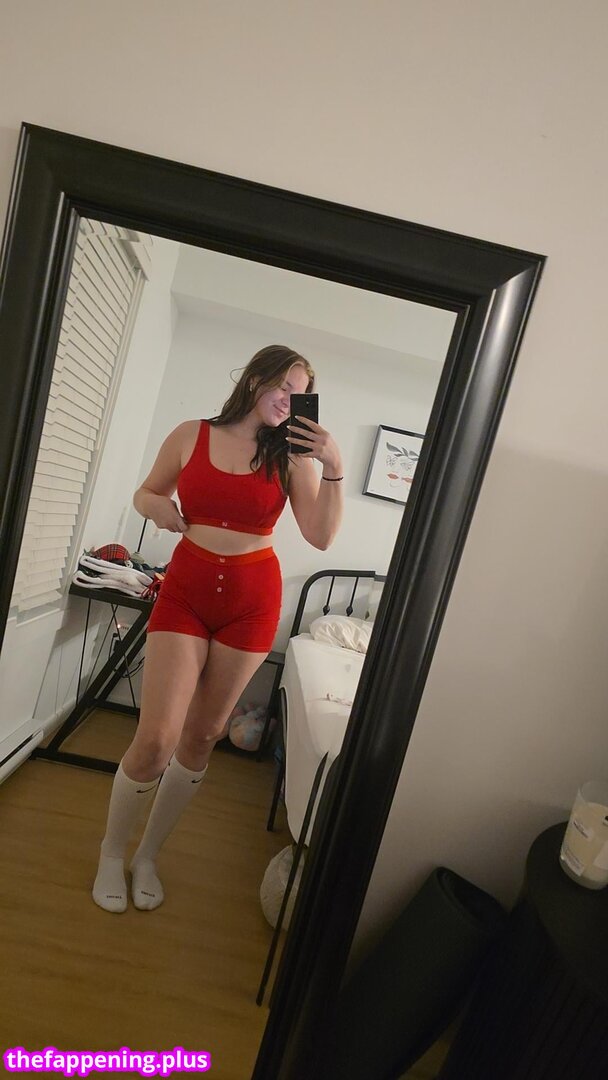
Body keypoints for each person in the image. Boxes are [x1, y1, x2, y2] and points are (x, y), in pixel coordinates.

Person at [92, 344, 344, 912]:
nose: (289, 400)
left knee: (203, 735)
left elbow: (322, 536)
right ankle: (112, 851)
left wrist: (332, 465)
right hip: (187, 590)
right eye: (283, 386)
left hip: (252, 603)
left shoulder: (292, 458)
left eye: (300, 393)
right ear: (255, 379)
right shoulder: (191, 434)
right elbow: (146, 491)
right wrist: (155, 508)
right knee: (156, 739)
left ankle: (147, 856)